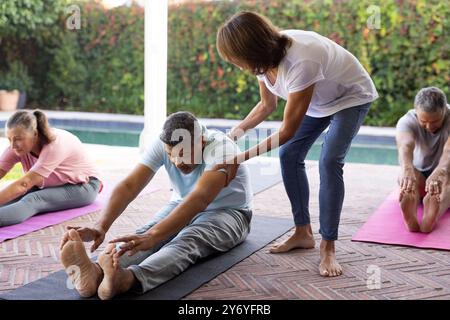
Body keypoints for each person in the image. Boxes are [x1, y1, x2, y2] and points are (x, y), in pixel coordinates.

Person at [215, 11, 379, 277]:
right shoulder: (263, 61)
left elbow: (287, 131)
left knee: (329, 161)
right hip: (319, 100)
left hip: (351, 95)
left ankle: (328, 247)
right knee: (289, 155)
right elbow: (267, 105)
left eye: (235, 58)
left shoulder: (302, 59)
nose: (235, 63)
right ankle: (303, 232)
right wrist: (233, 134)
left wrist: (239, 158)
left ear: (251, 50)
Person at [59, 111, 253, 300]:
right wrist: (101, 226)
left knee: (186, 240)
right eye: (171, 155)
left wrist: (154, 237)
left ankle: (127, 280)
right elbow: (129, 186)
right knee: (143, 233)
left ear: (201, 142)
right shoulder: (165, 142)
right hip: (182, 202)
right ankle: (95, 273)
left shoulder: (221, 150)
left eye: (184, 154)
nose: (177, 162)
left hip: (230, 213)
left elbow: (200, 199)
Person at [0, 110, 101, 226]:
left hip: (84, 186)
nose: (13, 145)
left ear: (35, 134)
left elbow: (24, 184)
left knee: (33, 199)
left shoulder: (54, 145)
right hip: (51, 185)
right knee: (12, 196)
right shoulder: (16, 147)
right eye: (9, 139)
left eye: (18, 139)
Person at [396, 87, 450, 233]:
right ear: (416, 112)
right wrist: (407, 170)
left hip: (446, 173)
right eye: (424, 121)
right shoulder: (406, 121)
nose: (429, 126)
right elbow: (405, 146)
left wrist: (440, 172)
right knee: (409, 176)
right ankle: (411, 204)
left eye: (436, 121)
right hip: (420, 175)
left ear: (445, 110)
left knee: (447, 182)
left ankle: (432, 217)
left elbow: (448, 152)